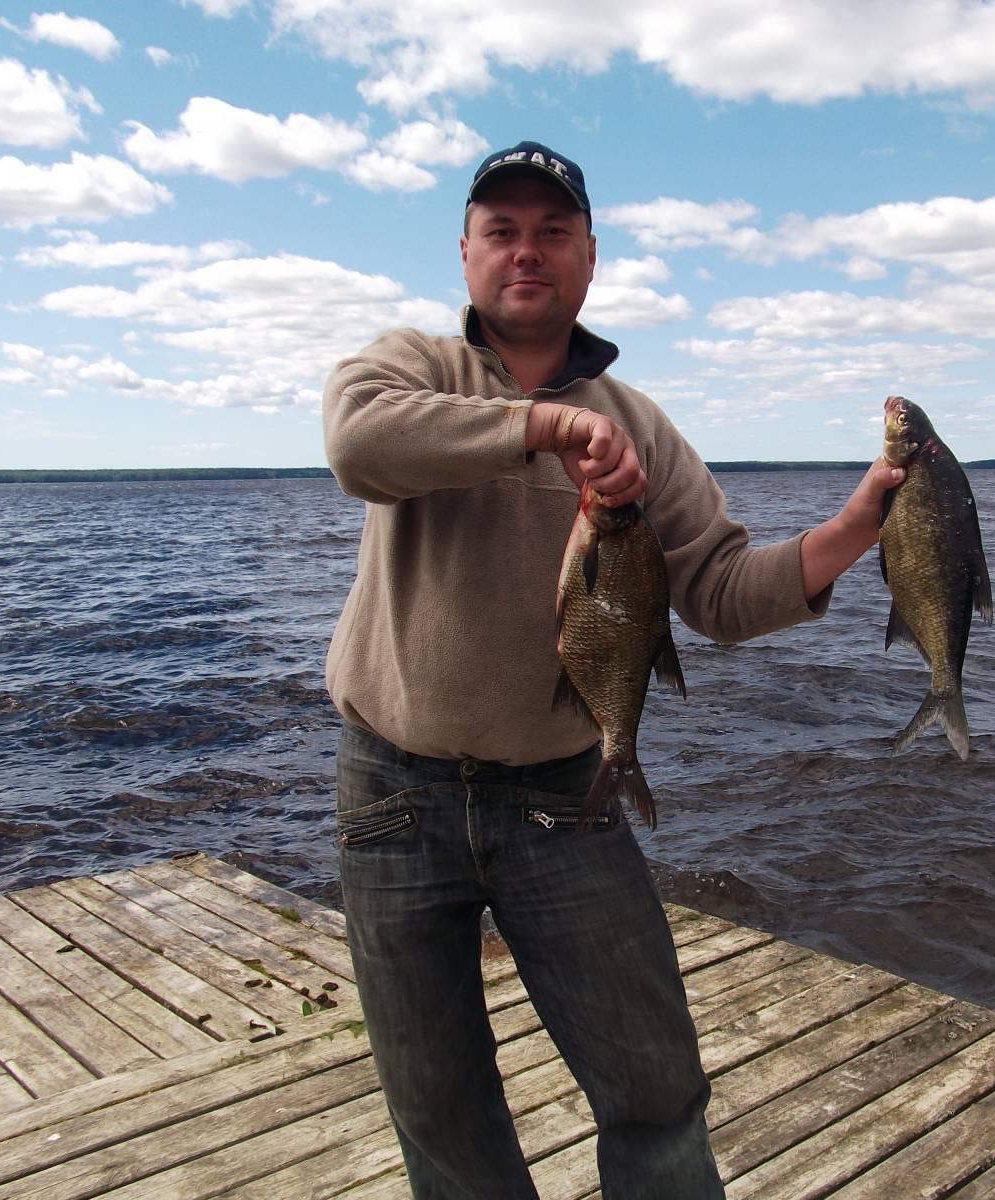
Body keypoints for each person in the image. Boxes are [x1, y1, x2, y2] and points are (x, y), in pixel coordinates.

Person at [322, 140, 903, 1200]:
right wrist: (542, 427)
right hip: (392, 795)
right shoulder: (408, 368)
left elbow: (720, 591)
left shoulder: (644, 429)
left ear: (590, 256)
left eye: (553, 232)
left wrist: (853, 527)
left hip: (565, 794)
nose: (526, 251)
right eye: (502, 231)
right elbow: (360, 444)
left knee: (654, 1089)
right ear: (465, 253)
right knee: (438, 1106)